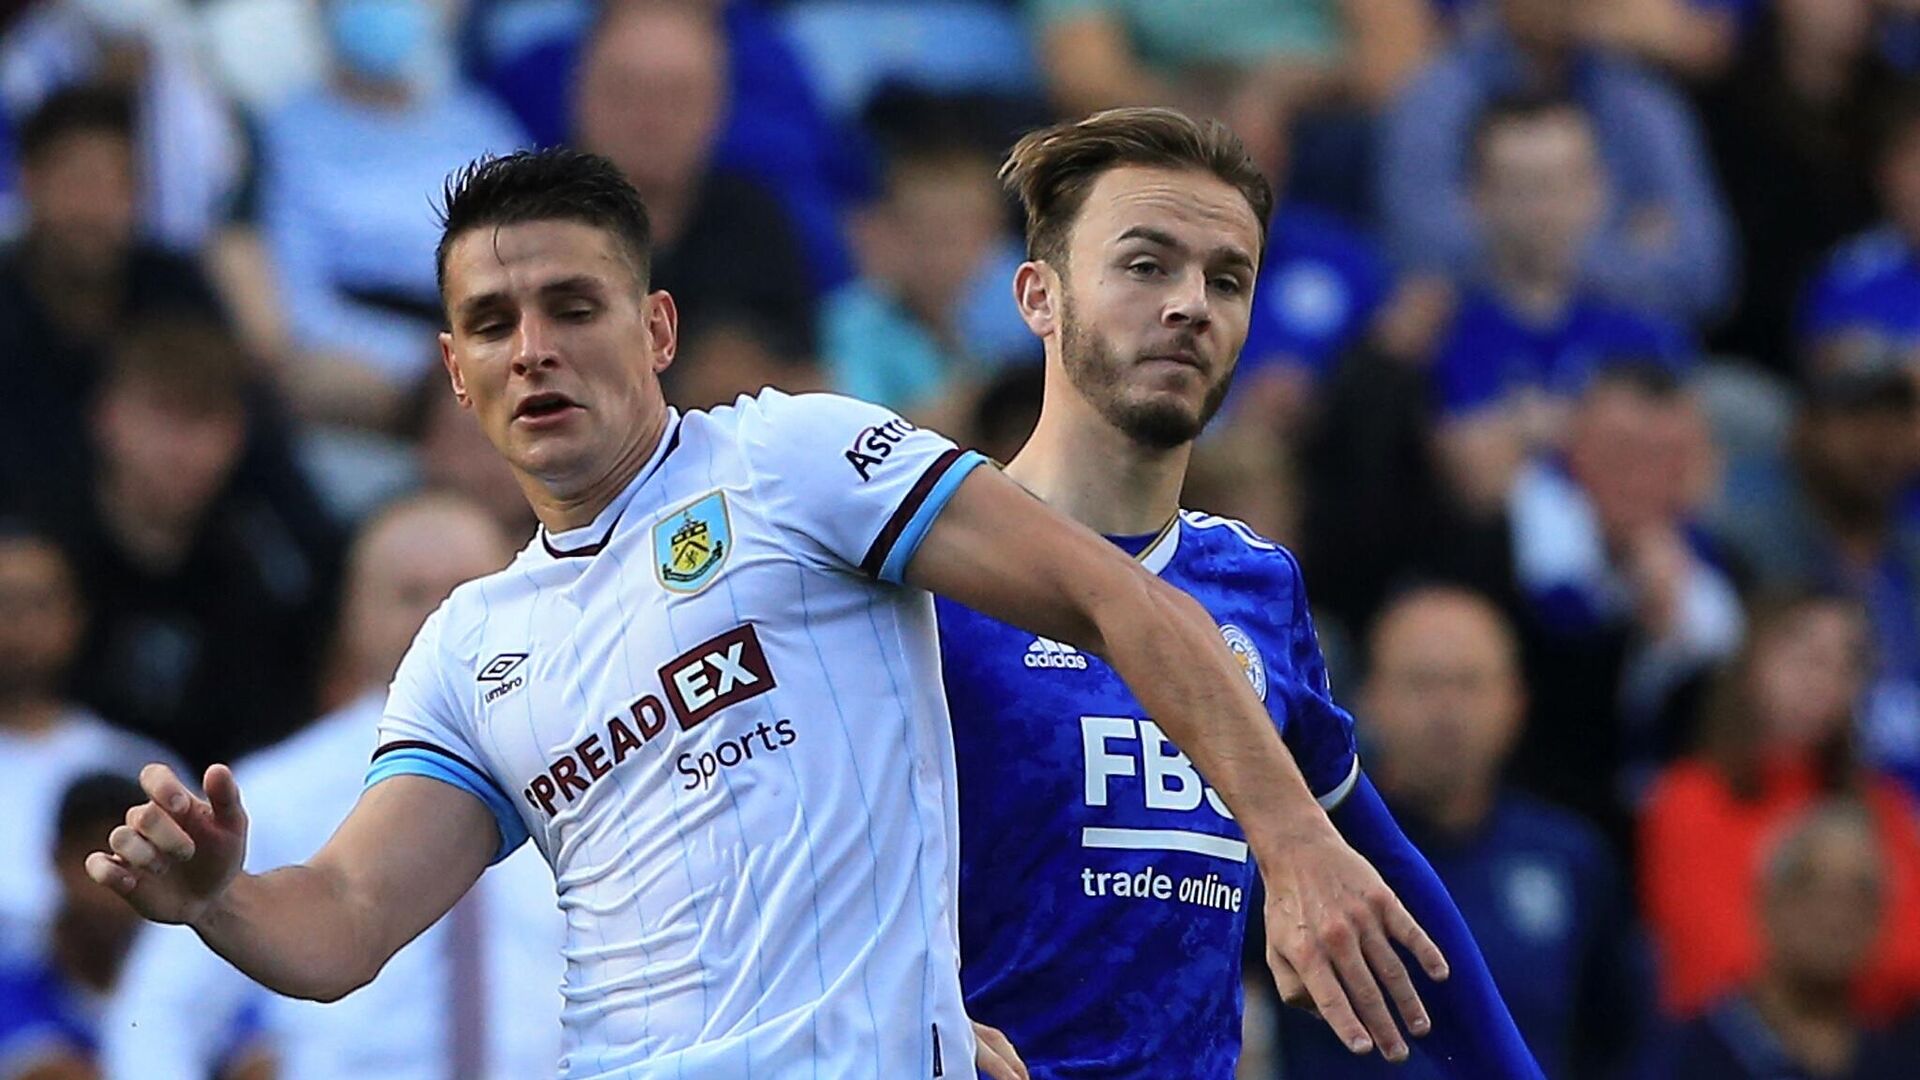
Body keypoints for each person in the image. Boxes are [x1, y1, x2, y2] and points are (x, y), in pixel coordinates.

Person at [86, 147, 1450, 1079]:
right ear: (454, 371)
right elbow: (340, 919)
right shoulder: (472, 645)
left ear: (659, 328)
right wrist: (220, 899)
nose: (535, 348)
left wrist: (1295, 841)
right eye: (493, 323)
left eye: (574, 306)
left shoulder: (788, 461)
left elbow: (1114, 596)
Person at [936, 108, 1538, 1078]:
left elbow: (1379, 878)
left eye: (1228, 279)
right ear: (1039, 297)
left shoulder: (1255, 584)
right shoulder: (929, 575)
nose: (1191, 305)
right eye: (1146, 266)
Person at [103, 494, 563, 1080]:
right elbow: (160, 1016)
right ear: (353, 615)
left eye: (463, 592)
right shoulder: (271, 794)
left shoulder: (594, 768)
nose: (438, 620)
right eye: (409, 594)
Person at [1277, 586, 1648, 1078]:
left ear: (1516, 704)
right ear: (1369, 699)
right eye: (1422, 683)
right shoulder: (1306, 851)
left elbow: (1621, 1039)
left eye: (1469, 684)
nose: (1446, 711)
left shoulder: (1573, 859)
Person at [1639, 592, 1920, 1022]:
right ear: (1751, 661)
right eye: (1804, 653)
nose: (1823, 676)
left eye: (1846, 662)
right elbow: (1711, 966)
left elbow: (1913, 957)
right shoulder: (1688, 799)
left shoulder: (1884, 809)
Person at [1648, 801, 1920, 1079]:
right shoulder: (1687, 1056)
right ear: (1764, 901)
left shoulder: (1900, 1061)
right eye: (1808, 885)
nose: (1835, 914)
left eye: (1860, 894)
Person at [0, 524, 173, 960]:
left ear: (75, 618)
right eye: (2, 603)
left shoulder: (138, 769)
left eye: (36, 604)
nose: (15, 626)